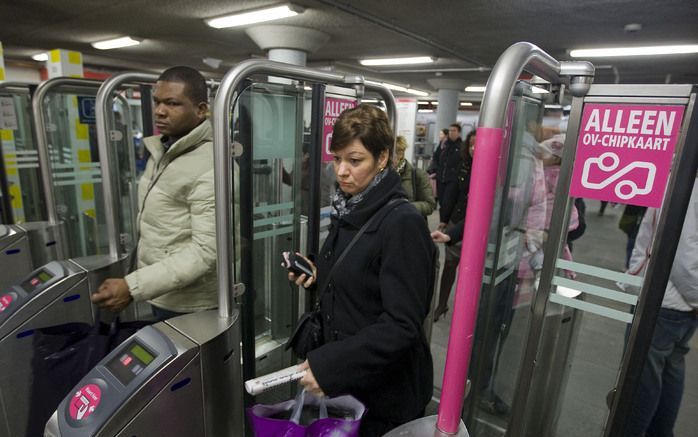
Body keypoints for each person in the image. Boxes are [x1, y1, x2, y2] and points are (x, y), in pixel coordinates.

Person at [288, 104, 435, 436]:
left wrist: (332, 367)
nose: (341, 171)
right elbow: (359, 284)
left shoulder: (401, 222)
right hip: (352, 386)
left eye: (354, 161)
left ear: (382, 158)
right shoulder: (350, 209)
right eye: (337, 159)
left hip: (383, 396)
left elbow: (402, 324)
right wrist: (316, 277)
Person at [91, 66, 218, 321]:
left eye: (172, 103)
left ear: (201, 110)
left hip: (189, 303)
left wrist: (134, 286)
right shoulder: (164, 150)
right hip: (161, 289)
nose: (160, 111)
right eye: (157, 102)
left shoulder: (210, 165)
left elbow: (206, 251)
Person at [625, 176, 698, 437]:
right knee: (668, 372)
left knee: (641, 384)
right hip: (678, 300)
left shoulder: (687, 179)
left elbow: (681, 254)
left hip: (667, 300)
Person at [432, 130, 474, 321]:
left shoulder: (493, 171)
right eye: (471, 145)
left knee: (470, 272)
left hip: (475, 230)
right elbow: (452, 195)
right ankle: (442, 304)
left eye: (478, 145)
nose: (474, 149)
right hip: (456, 220)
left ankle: (465, 312)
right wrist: (444, 219)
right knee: (449, 267)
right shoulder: (463, 166)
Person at [394, 135, 436, 218]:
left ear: (401, 154)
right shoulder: (380, 174)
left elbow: (430, 205)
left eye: (390, 155)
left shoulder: (418, 175)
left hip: (409, 225)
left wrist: (405, 207)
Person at [436, 123, 465, 227]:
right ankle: (443, 221)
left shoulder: (462, 146)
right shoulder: (444, 145)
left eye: (454, 131)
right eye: (450, 131)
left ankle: (444, 223)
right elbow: (436, 158)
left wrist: (457, 174)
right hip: (441, 178)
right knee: (442, 201)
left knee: (448, 201)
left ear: (459, 133)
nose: (451, 133)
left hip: (452, 179)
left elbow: (463, 162)